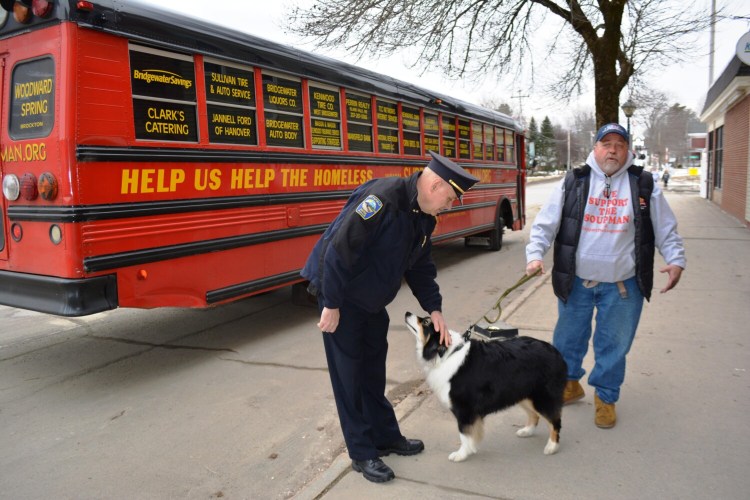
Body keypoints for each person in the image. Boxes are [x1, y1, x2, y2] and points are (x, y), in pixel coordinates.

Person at [301, 151, 478, 482]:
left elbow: (421, 265)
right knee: (349, 378)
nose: (450, 205)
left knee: (372, 372)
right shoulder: (382, 199)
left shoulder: (423, 216)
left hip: (370, 302)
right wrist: (332, 303)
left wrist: (434, 308)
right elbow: (340, 248)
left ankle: (385, 436)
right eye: (450, 198)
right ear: (436, 184)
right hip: (341, 298)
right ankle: (362, 452)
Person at [525, 123, 685, 429]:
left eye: (619, 144)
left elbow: (666, 228)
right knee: (567, 341)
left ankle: (606, 398)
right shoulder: (574, 181)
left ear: (628, 150)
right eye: (606, 143)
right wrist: (534, 255)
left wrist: (676, 259)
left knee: (614, 345)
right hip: (577, 282)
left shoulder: (643, 184)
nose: (612, 149)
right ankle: (570, 385)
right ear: (595, 148)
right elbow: (546, 224)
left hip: (623, 286)